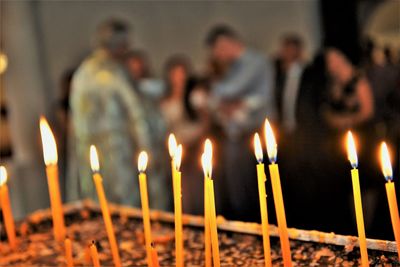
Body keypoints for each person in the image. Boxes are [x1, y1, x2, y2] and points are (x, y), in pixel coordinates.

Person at [69, 19, 155, 207]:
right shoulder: (114, 72)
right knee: (124, 207)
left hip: (88, 153)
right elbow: (135, 113)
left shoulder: (82, 74)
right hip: (118, 152)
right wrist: (146, 147)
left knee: (99, 205)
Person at [205, 24, 276, 221]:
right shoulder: (236, 67)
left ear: (225, 43)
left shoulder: (255, 62)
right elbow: (221, 102)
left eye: (217, 50)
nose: (217, 56)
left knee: (252, 191)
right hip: (240, 133)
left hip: (254, 133)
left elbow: (224, 92)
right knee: (240, 188)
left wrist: (226, 101)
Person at [273, 34, 305, 134]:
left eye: (292, 50)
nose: (289, 53)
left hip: (303, 128)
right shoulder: (276, 74)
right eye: (286, 49)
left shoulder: (309, 75)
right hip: (281, 127)